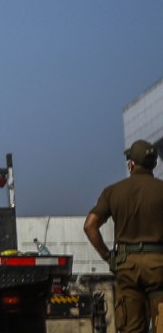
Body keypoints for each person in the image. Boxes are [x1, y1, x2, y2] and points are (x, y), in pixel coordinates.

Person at [85, 140, 163, 333]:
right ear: (153, 164)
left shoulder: (113, 192)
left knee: (131, 328)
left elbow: (90, 226)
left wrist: (108, 257)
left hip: (126, 265)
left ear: (131, 164)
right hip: (159, 265)